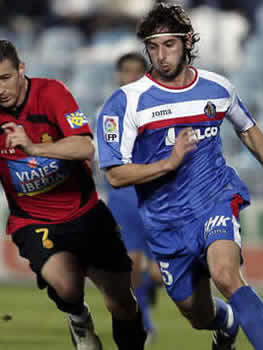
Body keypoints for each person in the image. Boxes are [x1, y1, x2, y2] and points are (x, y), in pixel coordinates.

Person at [96, 3, 263, 350]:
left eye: (169, 45)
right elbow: (115, 176)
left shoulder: (217, 88)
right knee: (197, 314)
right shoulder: (126, 103)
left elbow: (247, 129)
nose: (160, 55)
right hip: (165, 222)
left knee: (226, 275)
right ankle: (227, 323)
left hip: (213, 198)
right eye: (153, 47)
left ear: (187, 41)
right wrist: (167, 164)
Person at [0, 39, 147, 350]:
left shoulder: (52, 93)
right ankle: (78, 318)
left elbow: (84, 146)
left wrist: (35, 148)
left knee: (121, 304)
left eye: (5, 78)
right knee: (67, 284)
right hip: (33, 220)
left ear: (21, 69)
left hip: (86, 214)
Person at [103, 52, 162, 341]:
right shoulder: (110, 111)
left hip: (157, 193)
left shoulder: (160, 108)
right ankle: (144, 324)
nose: (131, 76)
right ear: (118, 75)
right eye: (126, 71)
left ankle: (148, 293)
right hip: (124, 194)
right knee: (130, 263)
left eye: (137, 71)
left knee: (159, 274)